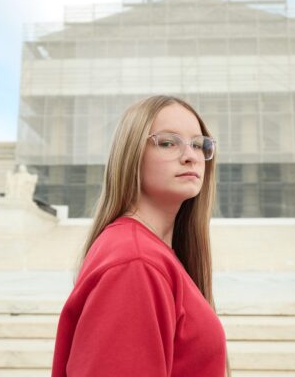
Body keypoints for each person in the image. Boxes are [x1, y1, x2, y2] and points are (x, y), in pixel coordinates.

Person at [51, 95, 231, 376]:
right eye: (169, 142)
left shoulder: (148, 253)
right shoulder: (136, 261)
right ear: (131, 154)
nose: (190, 155)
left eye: (198, 144)